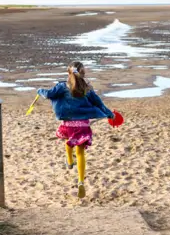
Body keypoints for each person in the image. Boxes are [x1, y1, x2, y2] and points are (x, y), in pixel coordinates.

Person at [37, 61, 114, 198]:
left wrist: (39, 91)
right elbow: (98, 102)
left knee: (68, 141)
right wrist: (109, 113)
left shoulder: (62, 86)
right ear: (83, 74)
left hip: (68, 125)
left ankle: (69, 161)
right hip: (83, 125)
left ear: (69, 73)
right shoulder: (87, 88)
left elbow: (48, 94)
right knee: (80, 153)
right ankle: (80, 181)